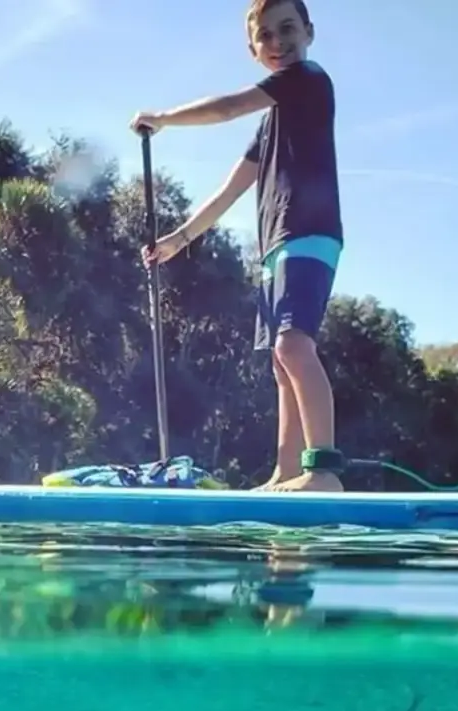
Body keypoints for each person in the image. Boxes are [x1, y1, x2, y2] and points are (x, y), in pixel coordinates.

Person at [130, 0, 345, 492]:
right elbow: (230, 189)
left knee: (294, 346)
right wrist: (177, 240)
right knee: (279, 359)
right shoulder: (270, 124)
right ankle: (287, 472)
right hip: (276, 247)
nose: (278, 42)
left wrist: (162, 118)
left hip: (309, 233)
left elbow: (227, 107)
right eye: (265, 36)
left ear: (309, 31)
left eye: (287, 28)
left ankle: (324, 470)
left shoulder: (308, 79)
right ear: (254, 50)